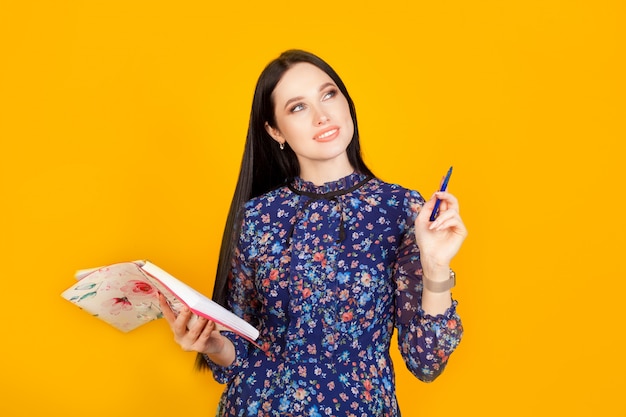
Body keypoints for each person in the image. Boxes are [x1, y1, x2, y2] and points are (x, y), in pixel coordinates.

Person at [159, 49, 468, 417]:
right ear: (275, 131)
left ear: (346, 103)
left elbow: (427, 361)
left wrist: (435, 266)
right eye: (297, 107)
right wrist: (213, 344)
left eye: (328, 94)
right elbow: (238, 353)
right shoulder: (257, 216)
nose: (323, 116)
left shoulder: (400, 209)